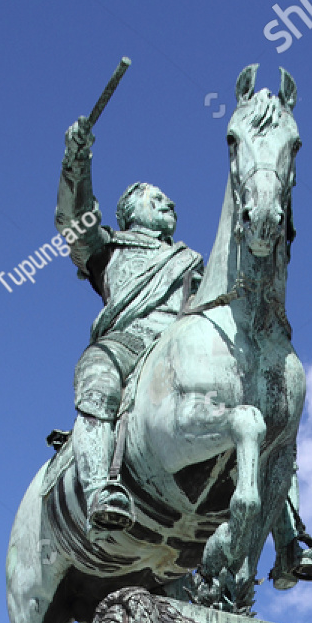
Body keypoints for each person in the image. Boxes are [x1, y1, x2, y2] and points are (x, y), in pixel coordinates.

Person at [56, 117, 204, 532]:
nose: (168, 204)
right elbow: (74, 220)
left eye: (170, 200)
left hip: (185, 348)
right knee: (96, 377)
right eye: (155, 198)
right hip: (127, 343)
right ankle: (101, 489)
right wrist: (76, 161)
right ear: (128, 213)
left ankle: (286, 527)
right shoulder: (107, 248)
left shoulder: (191, 262)